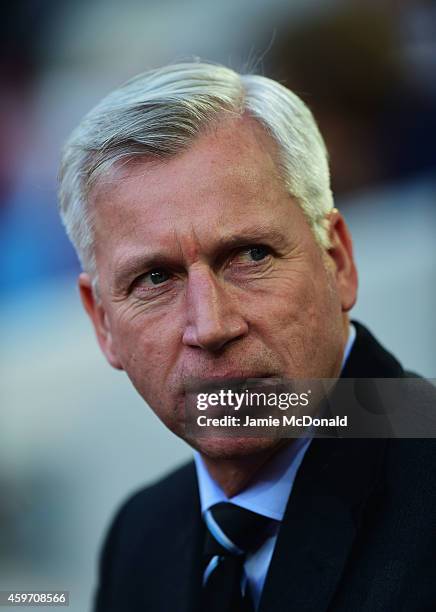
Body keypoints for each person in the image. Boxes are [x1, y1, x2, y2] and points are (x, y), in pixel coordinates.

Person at [57, 62, 436, 611]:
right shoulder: (140, 541)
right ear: (103, 324)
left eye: (250, 255)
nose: (211, 326)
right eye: (155, 278)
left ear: (338, 261)